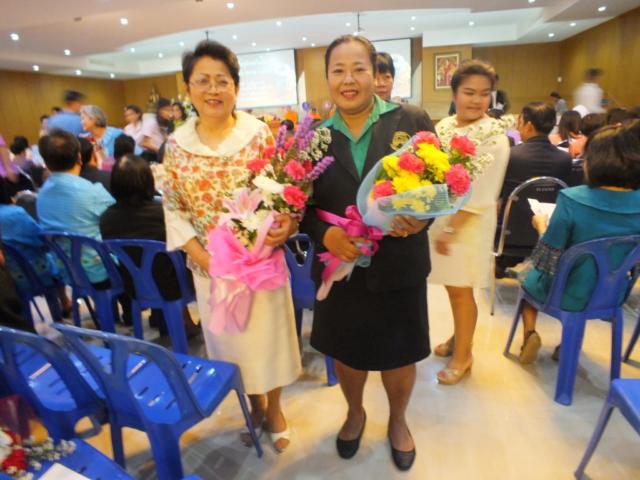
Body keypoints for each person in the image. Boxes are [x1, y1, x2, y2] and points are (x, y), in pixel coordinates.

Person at [300, 34, 435, 471]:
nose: (349, 79)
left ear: (375, 73)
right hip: (340, 268)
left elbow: (440, 185)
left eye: (358, 68)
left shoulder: (410, 120)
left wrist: (423, 220)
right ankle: (355, 412)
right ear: (327, 78)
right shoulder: (313, 138)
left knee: (400, 352)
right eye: (338, 70)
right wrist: (324, 234)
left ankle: (398, 420)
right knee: (347, 350)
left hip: (400, 263)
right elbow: (298, 207)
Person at [161, 40, 301, 453]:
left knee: (268, 341)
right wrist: (204, 258)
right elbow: (173, 208)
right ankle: (253, 406)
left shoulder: (257, 134)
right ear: (188, 88)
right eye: (202, 81)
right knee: (232, 347)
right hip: (212, 271)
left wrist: (287, 223)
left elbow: (283, 192)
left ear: (236, 88)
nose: (213, 89)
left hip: (260, 265)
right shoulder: (176, 145)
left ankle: (275, 409)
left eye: (222, 81)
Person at [517, 121, 640, 364]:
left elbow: (547, 254)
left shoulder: (572, 199)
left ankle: (529, 333)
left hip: (565, 291)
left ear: (595, 161)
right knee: (586, 281)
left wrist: (540, 224)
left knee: (528, 276)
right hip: (613, 293)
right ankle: (568, 345)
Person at [428, 59, 510, 385]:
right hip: (443, 217)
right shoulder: (445, 126)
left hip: (469, 224)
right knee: (452, 287)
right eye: (469, 92)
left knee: (463, 291)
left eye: (484, 93)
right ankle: (458, 338)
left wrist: (451, 229)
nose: (477, 100)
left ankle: (464, 355)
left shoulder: (495, 136)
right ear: (454, 93)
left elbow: (483, 191)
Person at [100, 154, 199, 338]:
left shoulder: (106, 218)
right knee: (183, 257)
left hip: (133, 286)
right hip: (174, 286)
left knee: (151, 261)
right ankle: (184, 322)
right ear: (148, 181)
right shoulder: (164, 214)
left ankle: (165, 320)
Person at [36, 129, 115, 287]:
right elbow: (118, 220)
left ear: (46, 163)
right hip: (102, 272)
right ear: (79, 157)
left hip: (67, 271)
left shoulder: (41, 195)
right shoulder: (93, 192)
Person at [0, 178, 71, 317]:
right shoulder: (14, 214)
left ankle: (64, 302)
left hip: (9, 278)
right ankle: (64, 303)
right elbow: (40, 239)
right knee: (54, 256)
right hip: (33, 273)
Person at [500, 102, 572, 201]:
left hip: (515, 210)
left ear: (529, 126)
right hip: (552, 210)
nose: (517, 128)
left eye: (520, 123)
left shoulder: (510, 155)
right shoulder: (565, 159)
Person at [139, 98, 173, 162]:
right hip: (152, 156)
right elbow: (145, 143)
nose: (169, 113)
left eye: (170, 110)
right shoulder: (151, 122)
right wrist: (160, 151)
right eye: (166, 110)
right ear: (159, 110)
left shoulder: (166, 122)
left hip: (162, 154)